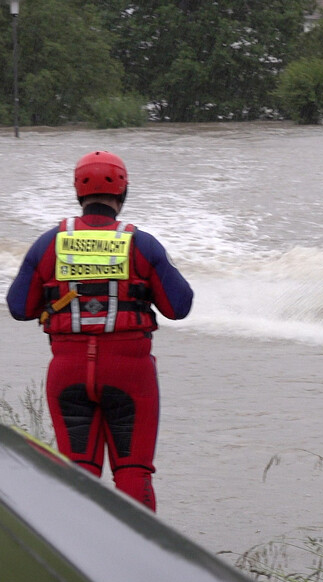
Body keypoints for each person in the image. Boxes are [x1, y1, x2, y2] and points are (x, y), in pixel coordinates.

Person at [6, 151, 193, 512]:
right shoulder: (142, 244)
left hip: (68, 373)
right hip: (130, 375)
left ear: (78, 191)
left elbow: (19, 308)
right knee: (133, 472)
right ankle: (139, 562)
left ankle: (78, 558)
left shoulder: (48, 244)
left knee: (77, 474)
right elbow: (179, 306)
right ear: (123, 191)